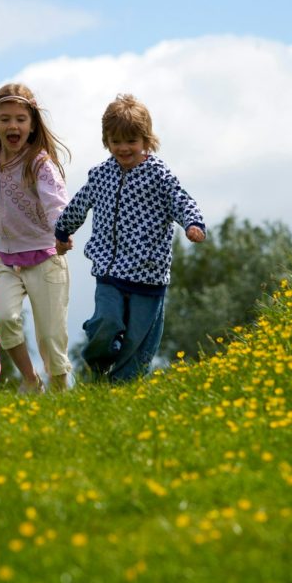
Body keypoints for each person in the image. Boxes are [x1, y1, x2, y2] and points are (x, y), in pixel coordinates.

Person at [54, 93, 206, 384]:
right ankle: (96, 367)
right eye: (116, 142)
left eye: (131, 141)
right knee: (105, 322)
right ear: (106, 141)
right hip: (109, 271)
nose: (123, 148)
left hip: (148, 273)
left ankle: (120, 390)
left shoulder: (158, 175)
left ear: (146, 141)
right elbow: (78, 204)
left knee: (138, 341)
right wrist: (62, 231)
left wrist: (192, 224)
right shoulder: (101, 175)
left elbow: (181, 200)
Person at [0, 83, 72, 393]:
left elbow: (56, 203)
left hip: (45, 257)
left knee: (51, 338)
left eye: (20, 119)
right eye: (5, 119)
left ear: (31, 126)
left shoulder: (40, 164)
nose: (12, 125)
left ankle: (60, 391)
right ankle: (31, 380)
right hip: (5, 258)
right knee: (4, 318)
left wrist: (62, 232)